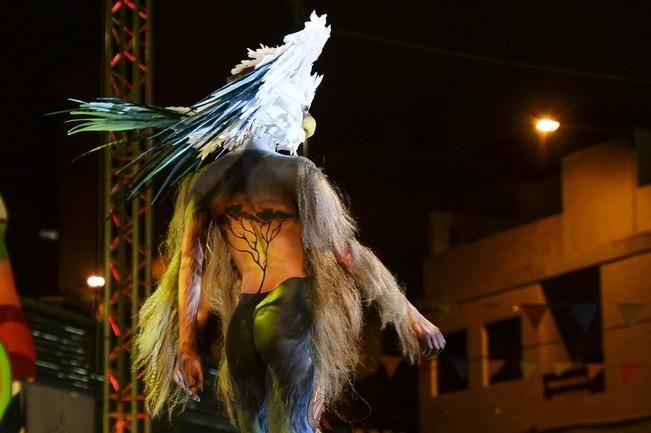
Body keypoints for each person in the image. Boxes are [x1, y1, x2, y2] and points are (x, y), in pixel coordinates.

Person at [64, 12, 445, 433]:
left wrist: (187, 345)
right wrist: (409, 313)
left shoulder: (206, 181)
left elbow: (190, 266)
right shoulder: (299, 174)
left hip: (243, 323)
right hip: (286, 310)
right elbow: (346, 251)